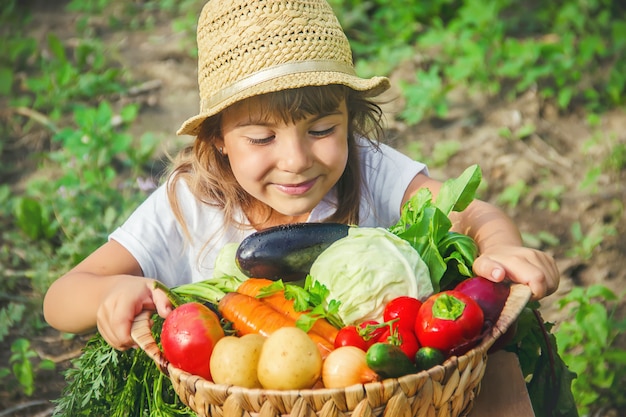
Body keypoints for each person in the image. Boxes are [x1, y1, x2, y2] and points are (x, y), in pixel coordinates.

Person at [43, 0, 559, 351]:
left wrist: (497, 249)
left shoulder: (370, 166)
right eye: (262, 138)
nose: (295, 160)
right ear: (218, 138)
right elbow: (61, 297)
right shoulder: (190, 202)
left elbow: (471, 212)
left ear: (350, 118)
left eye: (322, 129)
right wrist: (117, 292)